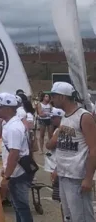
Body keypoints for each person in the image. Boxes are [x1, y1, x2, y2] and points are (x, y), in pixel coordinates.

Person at [50, 82, 96, 222]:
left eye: (54, 96)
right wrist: (57, 168)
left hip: (77, 177)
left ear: (63, 97)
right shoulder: (65, 117)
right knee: (69, 216)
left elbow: (93, 149)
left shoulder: (84, 116)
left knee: (81, 217)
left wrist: (88, 178)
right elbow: (64, 146)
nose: (51, 99)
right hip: (65, 175)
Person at [0, 93, 33, 222]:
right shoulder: (10, 125)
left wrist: (6, 176)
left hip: (18, 173)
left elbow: (14, 153)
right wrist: (5, 168)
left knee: (22, 207)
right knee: (18, 207)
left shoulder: (13, 128)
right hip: (15, 171)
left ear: (9, 109)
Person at [44, 108, 65, 221]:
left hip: (59, 166)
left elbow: (50, 145)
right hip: (60, 165)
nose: (52, 119)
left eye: (54, 117)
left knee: (62, 199)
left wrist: (49, 141)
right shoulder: (60, 129)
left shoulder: (59, 130)